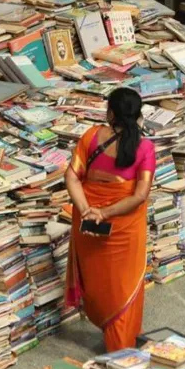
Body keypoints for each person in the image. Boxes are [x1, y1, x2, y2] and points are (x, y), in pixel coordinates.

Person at [64, 87, 154, 351]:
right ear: (138, 115)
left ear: (111, 112)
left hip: (88, 227)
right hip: (124, 230)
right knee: (124, 287)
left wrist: (88, 210)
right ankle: (121, 348)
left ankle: (112, 333)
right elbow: (139, 196)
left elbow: (71, 176)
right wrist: (104, 212)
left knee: (97, 283)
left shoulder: (91, 136)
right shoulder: (145, 148)